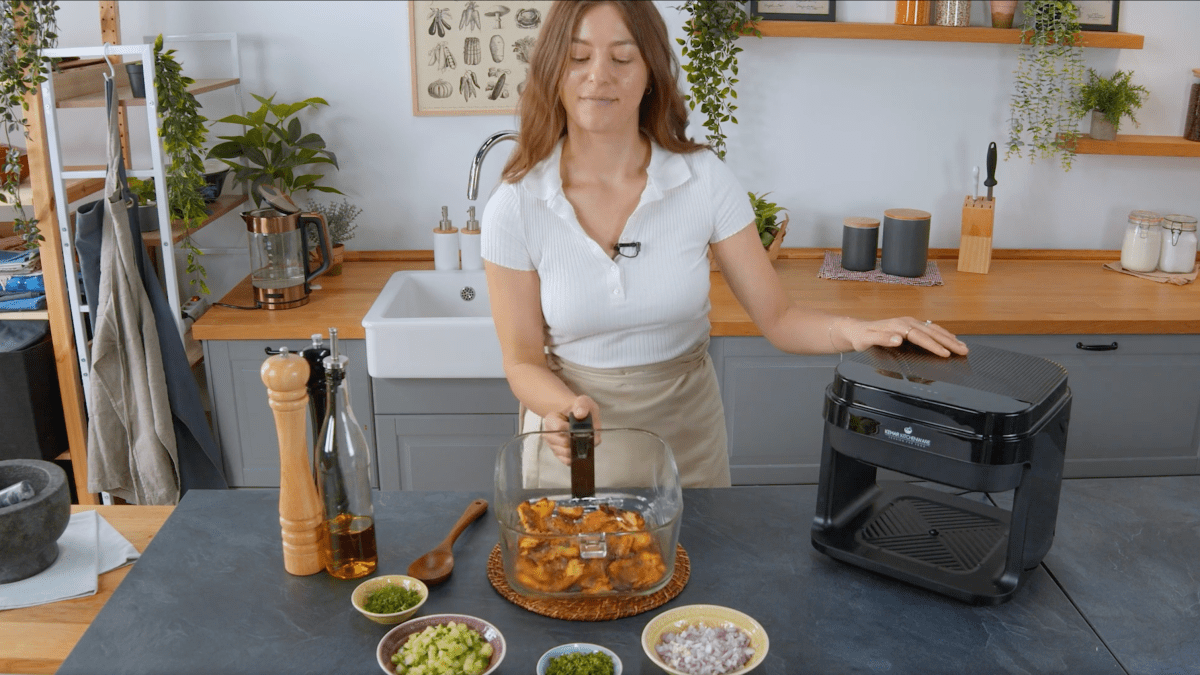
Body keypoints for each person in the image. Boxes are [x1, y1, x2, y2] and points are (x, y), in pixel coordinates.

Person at [481, 0, 968, 488]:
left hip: (686, 450)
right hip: (575, 453)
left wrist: (859, 332)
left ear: (650, 71)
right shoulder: (517, 205)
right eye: (578, 57)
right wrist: (560, 407)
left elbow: (779, 319)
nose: (599, 76)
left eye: (623, 58)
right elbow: (522, 360)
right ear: (552, 70)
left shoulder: (703, 180)